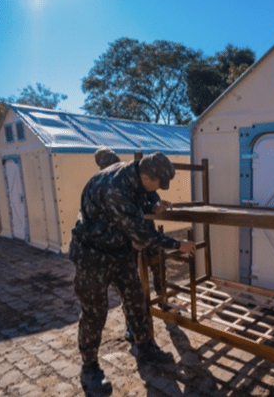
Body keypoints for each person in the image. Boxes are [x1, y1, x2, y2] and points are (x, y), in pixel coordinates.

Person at [70, 151, 196, 397]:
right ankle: (89, 368)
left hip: (120, 252)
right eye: (159, 184)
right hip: (92, 256)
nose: (160, 188)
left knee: (136, 299)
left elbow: (138, 204)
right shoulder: (114, 187)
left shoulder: (136, 177)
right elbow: (141, 235)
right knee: (95, 312)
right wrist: (179, 245)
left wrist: (153, 205)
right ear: (147, 176)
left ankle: (145, 346)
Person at [93, 147, 167, 343]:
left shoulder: (132, 174)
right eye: (105, 165)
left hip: (145, 230)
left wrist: (156, 204)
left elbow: (151, 193)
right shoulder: (102, 183)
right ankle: (132, 324)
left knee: (158, 264)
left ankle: (163, 300)